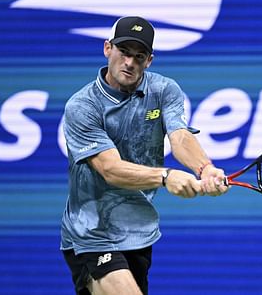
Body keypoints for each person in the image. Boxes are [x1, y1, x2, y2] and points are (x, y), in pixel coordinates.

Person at [61, 16, 230, 295]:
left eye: (139, 56)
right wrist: (165, 176)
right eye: (123, 52)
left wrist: (205, 168)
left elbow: (180, 136)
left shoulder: (163, 90)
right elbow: (110, 169)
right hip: (92, 232)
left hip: (139, 231)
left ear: (149, 61)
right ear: (107, 49)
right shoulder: (82, 106)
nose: (129, 62)